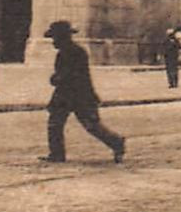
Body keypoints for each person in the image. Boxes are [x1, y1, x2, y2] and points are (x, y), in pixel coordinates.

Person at [42, 20, 125, 164]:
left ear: (62, 37)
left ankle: (117, 142)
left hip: (76, 95)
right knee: (56, 123)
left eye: (55, 38)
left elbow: (70, 75)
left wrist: (55, 79)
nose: (53, 41)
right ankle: (56, 154)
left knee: (90, 125)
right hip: (71, 94)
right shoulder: (70, 51)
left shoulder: (72, 52)